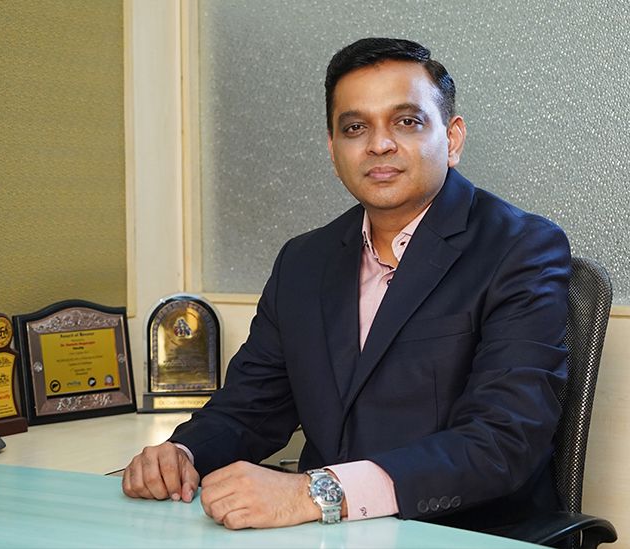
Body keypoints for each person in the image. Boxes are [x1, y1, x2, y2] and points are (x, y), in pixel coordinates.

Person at [123, 37, 570, 537]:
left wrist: (314, 493)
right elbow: (251, 405)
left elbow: (503, 440)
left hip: (462, 531)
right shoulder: (303, 261)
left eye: (407, 121)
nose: (379, 144)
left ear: (453, 138)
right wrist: (182, 453)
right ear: (333, 150)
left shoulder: (521, 248)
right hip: (322, 533)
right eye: (355, 127)